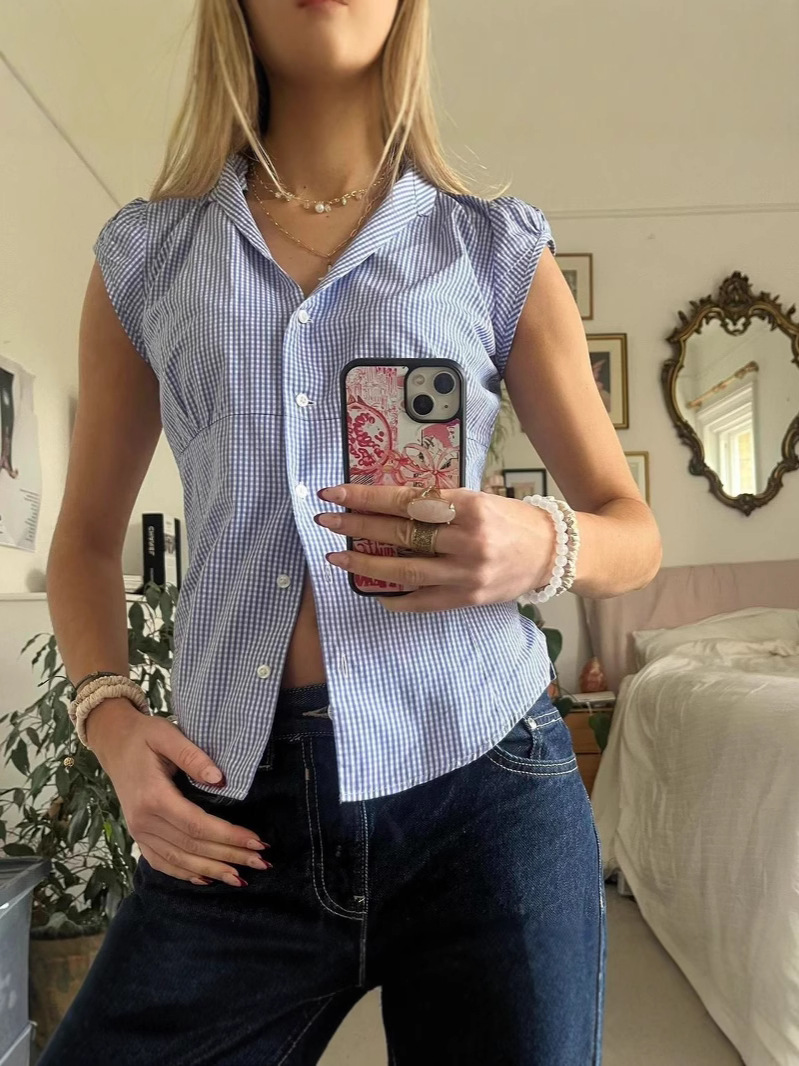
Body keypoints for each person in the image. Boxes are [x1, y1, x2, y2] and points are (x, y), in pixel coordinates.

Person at [42, 1, 662, 1063]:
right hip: (229, 816)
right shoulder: (148, 257)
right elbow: (87, 541)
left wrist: (535, 544)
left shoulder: (490, 248)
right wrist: (109, 720)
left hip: (484, 795)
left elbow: (632, 530)